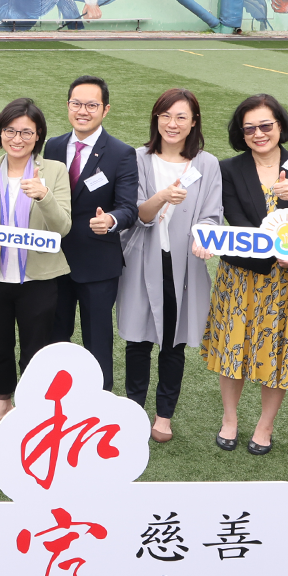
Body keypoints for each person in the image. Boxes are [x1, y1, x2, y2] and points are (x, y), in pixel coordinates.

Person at [202, 94, 288, 455]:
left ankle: (265, 425)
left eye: (265, 125)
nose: (258, 134)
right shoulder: (228, 168)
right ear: (241, 134)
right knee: (234, 348)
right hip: (243, 274)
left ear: (280, 125)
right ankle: (229, 419)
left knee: (280, 350)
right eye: (249, 128)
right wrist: (275, 249)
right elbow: (235, 218)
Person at [118, 89, 224, 443]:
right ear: (156, 119)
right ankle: (133, 410)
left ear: (194, 122)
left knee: (173, 341)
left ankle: (163, 416)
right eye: (165, 115)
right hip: (141, 259)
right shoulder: (137, 158)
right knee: (138, 339)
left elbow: (212, 214)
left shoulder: (206, 164)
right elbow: (136, 213)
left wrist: (204, 238)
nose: (172, 124)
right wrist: (162, 196)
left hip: (184, 264)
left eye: (181, 117)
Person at [0, 98, 72, 431]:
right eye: (10, 130)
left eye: (26, 132)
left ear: (38, 135)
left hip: (39, 279)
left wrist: (44, 195)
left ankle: (32, 413)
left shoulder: (54, 171)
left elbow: (62, 227)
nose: (17, 138)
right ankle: (1, 405)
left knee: (35, 350)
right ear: (0, 133)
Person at [42, 75, 138, 390]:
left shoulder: (121, 153)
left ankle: (99, 401)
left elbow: (128, 208)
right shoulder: (53, 146)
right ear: (68, 105)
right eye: (77, 104)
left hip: (97, 264)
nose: (83, 111)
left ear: (105, 109)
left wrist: (110, 219)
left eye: (91, 105)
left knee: (97, 341)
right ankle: (54, 401)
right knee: (55, 337)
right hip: (54, 260)